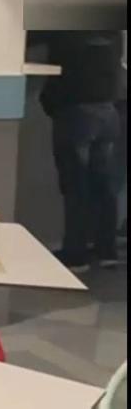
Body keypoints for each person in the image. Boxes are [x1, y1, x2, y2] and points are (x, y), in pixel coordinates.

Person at [34, 30, 124, 272]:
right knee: (104, 186)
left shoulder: (63, 23)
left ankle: (76, 254)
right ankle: (106, 251)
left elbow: (25, 37)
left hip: (75, 110)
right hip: (108, 108)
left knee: (76, 186)